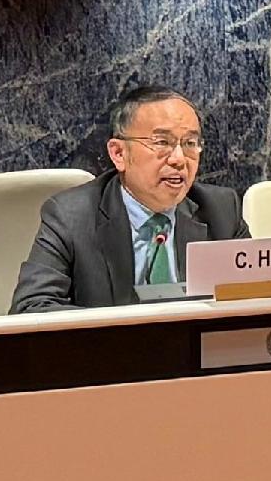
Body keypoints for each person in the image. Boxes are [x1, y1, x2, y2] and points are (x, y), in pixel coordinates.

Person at [13, 81, 250, 311]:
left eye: (190, 143)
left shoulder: (221, 210)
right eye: (162, 142)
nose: (179, 159)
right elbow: (32, 306)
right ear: (119, 153)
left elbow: (257, 294)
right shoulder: (71, 216)